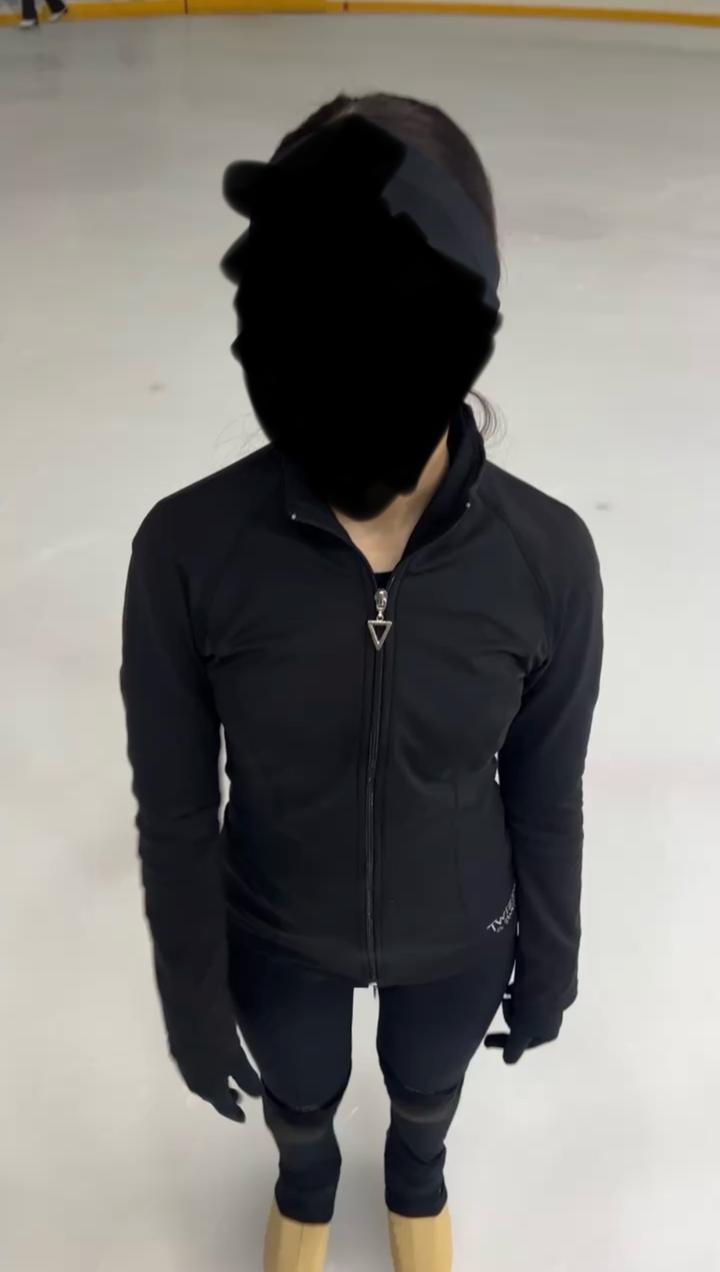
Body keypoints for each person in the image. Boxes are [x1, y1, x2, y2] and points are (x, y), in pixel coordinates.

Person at [120, 92, 603, 1272]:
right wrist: (192, 990)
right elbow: (175, 808)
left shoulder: (547, 558)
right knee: (301, 1097)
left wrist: (549, 962)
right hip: (277, 928)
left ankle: (417, 1175)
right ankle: (307, 1179)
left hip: (458, 932)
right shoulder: (188, 550)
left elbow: (546, 790)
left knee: (426, 1091)